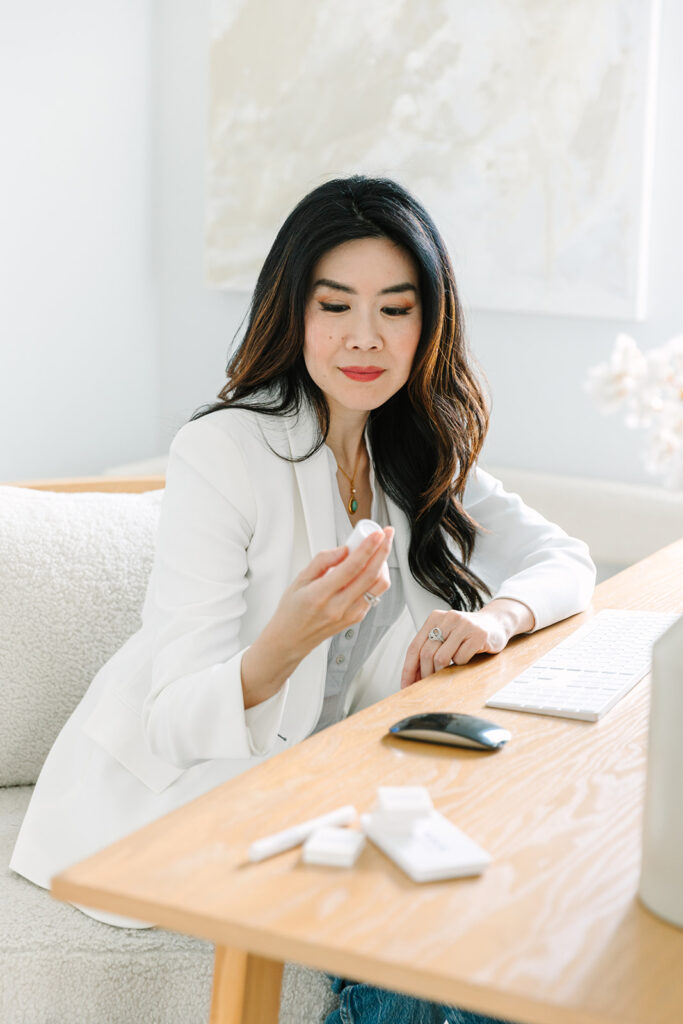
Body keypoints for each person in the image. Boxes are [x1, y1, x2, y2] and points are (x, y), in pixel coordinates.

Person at [11, 175, 595, 1023]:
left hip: (331, 784)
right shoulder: (224, 450)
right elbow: (172, 715)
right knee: (439, 952)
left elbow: (562, 559)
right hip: (182, 799)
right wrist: (286, 639)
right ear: (294, 312)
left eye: (396, 309)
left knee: (533, 907)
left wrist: (493, 616)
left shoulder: (415, 449)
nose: (366, 338)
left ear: (429, 324)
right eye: (336, 306)